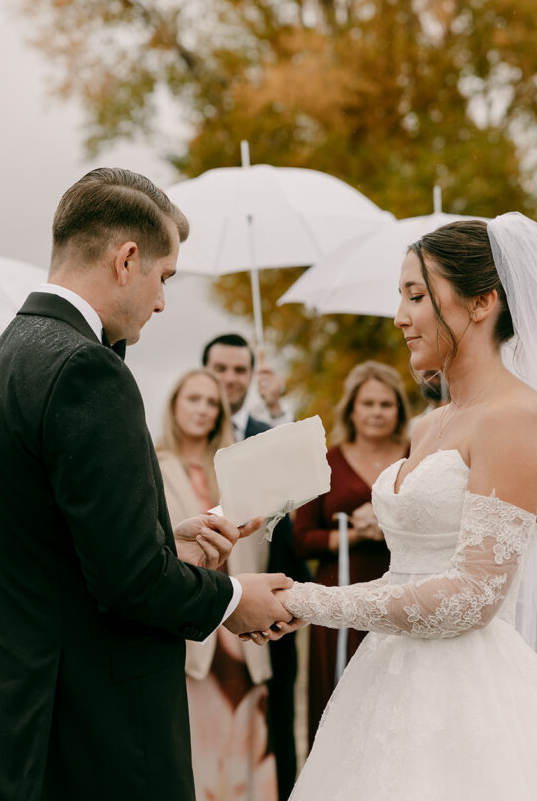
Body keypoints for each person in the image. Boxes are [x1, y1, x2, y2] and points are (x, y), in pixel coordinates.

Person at [0, 168, 295, 801]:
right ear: (126, 260)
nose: (163, 302)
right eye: (164, 277)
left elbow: (49, 547)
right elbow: (127, 580)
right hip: (99, 734)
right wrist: (230, 597)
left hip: (19, 721)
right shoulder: (87, 369)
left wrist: (163, 537)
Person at [272, 214, 537, 800]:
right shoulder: (427, 426)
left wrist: (308, 600)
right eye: (399, 298)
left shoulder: (517, 417)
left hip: (470, 695)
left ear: (482, 303)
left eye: (416, 296)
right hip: (384, 676)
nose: (400, 317)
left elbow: (473, 595)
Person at [157, 368, 278, 801]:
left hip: (239, 616)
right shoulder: (152, 463)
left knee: (249, 744)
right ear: (174, 404)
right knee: (198, 748)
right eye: (194, 399)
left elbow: (261, 544)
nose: (203, 409)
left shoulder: (232, 466)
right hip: (191, 624)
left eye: (212, 403)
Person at [203, 332, 309, 800]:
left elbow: (298, 499)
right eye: (220, 369)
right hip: (204, 607)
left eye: (239, 370)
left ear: (251, 376)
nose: (229, 378)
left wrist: (278, 413)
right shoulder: (181, 441)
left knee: (273, 722)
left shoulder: (262, 436)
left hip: (266, 598)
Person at [292, 361, 410, 747]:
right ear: (352, 410)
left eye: (386, 404)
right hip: (341, 592)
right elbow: (302, 538)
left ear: (399, 410)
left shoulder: (418, 455)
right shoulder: (326, 461)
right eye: (368, 403)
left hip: (404, 592)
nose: (376, 412)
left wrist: (390, 523)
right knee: (342, 702)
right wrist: (353, 535)